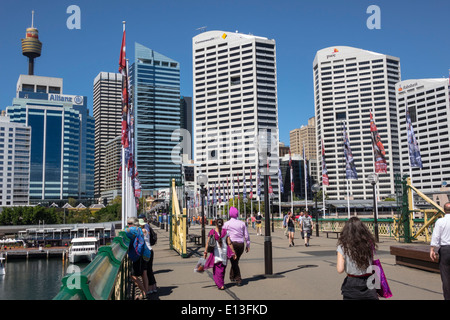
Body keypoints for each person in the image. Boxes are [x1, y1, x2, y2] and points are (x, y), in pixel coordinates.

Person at [336, 217, 378, 300]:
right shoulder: (369, 244)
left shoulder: (343, 247)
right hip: (369, 281)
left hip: (352, 283)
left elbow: (340, 270)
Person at [204, 218, 237, 290]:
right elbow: (229, 243)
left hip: (216, 253)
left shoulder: (212, 232)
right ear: (222, 224)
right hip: (224, 253)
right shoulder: (226, 232)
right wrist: (233, 252)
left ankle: (220, 284)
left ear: (215, 223)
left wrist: (205, 252)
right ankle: (221, 282)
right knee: (222, 269)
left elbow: (207, 243)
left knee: (216, 270)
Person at [223, 207, 250, 286]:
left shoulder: (227, 224)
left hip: (232, 244)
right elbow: (246, 235)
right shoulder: (242, 223)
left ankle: (238, 279)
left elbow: (223, 234)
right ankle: (232, 276)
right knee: (235, 260)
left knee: (234, 261)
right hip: (241, 244)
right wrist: (248, 244)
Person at [125, 217, 151, 299]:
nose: (127, 225)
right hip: (145, 254)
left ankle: (144, 292)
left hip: (138, 255)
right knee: (144, 274)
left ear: (132, 224)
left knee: (132, 275)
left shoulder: (134, 229)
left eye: (129, 224)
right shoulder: (139, 229)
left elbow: (125, 231)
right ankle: (144, 292)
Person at [430, 202, 450, 300]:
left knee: (445, 276)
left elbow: (436, 236)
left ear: (443, 210)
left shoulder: (440, 221)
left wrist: (432, 249)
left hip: (445, 250)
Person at [142, 218, 158, 294]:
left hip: (146, 252)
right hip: (150, 250)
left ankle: (149, 288)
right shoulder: (147, 228)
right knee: (150, 270)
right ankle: (153, 287)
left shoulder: (142, 231)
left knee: (146, 271)